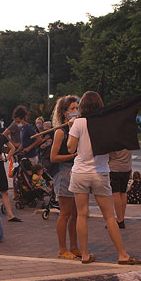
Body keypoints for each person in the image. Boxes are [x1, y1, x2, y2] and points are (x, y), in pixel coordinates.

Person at [67, 90, 141, 265]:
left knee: (82, 215)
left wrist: (71, 127)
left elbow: (70, 148)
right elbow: (114, 151)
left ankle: (84, 255)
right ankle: (122, 254)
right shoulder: (105, 123)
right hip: (100, 172)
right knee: (109, 216)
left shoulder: (79, 122)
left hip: (80, 173)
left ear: (82, 106)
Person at [50, 95, 81, 260]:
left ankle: (74, 246)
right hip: (63, 174)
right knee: (65, 213)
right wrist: (73, 155)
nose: (76, 112)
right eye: (73, 109)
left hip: (77, 172)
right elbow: (53, 157)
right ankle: (62, 248)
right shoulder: (60, 132)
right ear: (64, 112)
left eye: (77, 108)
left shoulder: (77, 129)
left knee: (76, 213)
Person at [109, 149, 131, 229]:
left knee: (115, 193)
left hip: (115, 168)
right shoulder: (128, 139)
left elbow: (110, 154)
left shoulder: (115, 139)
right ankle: (122, 218)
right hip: (126, 168)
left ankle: (119, 220)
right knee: (123, 192)